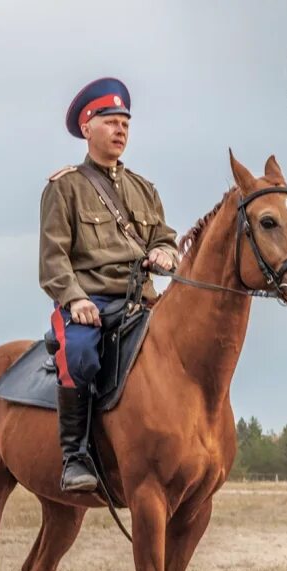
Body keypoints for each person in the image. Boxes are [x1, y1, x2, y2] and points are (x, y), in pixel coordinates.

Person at [39, 77, 178, 492]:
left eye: (126, 124)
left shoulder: (144, 189)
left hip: (142, 302)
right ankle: (75, 456)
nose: (121, 131)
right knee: (80, 354)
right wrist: (75, 298)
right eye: (111, 122)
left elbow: (164, 238)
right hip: (91, 305)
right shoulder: (65, 188)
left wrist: (167, 254)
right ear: (87, 128)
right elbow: (53, 259)